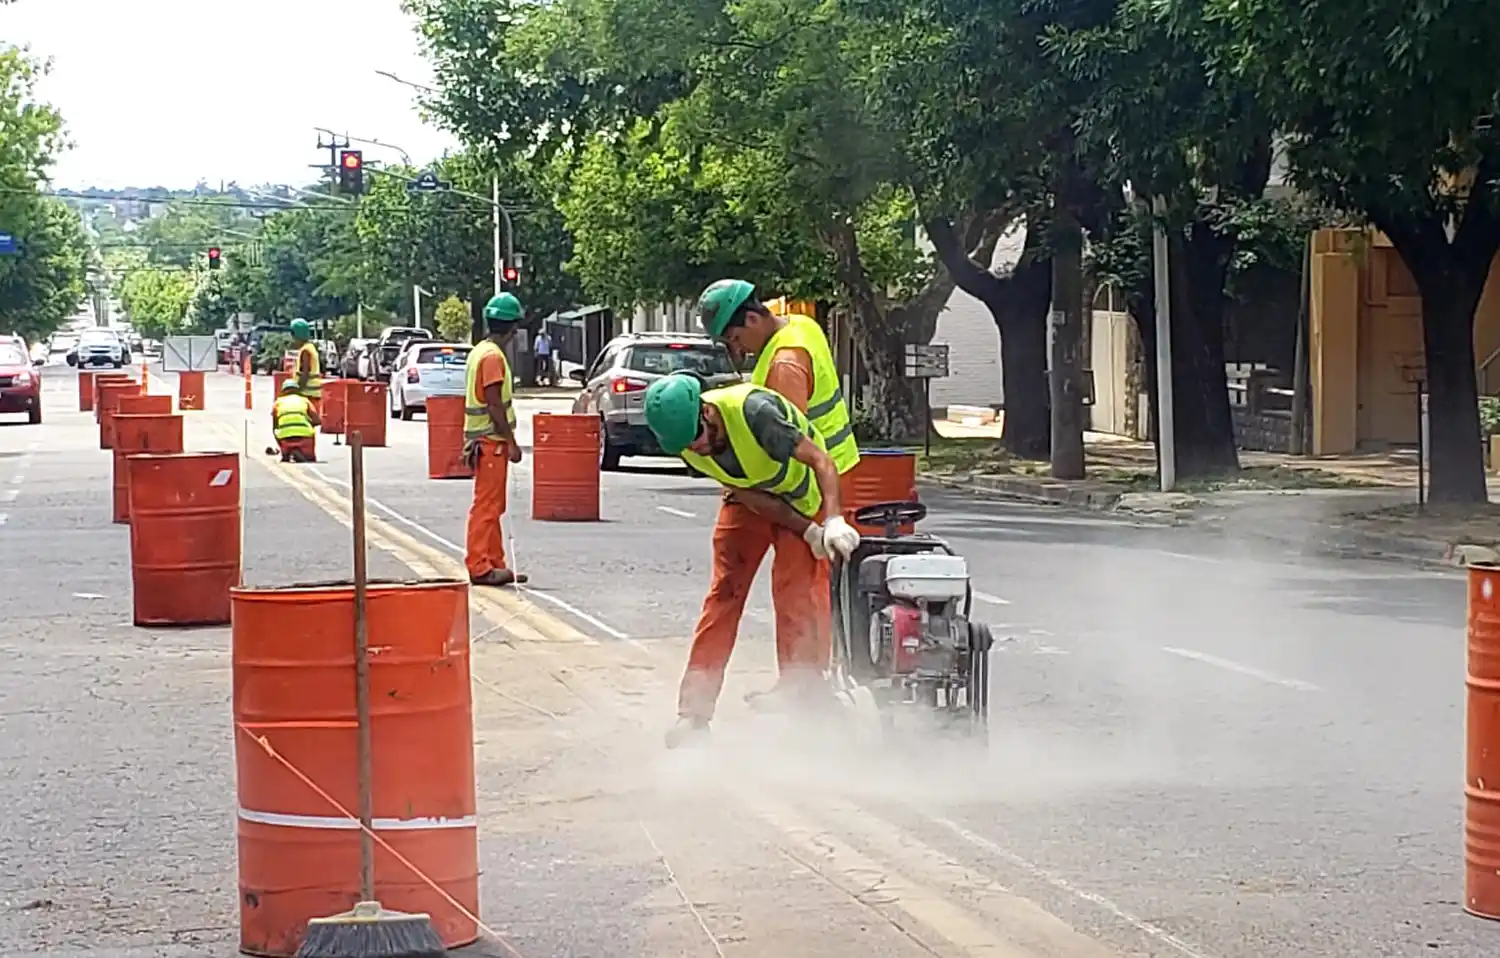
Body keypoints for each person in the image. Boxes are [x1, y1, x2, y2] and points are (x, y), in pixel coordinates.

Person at [643, 373, 861, 747]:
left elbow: (823, 462)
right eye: (686, 447)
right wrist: (799, 529)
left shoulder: (756, 413)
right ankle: (693, 714)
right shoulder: (685, 440)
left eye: (697, 439)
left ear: (707, 413)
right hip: (751, 499)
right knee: (724, 594)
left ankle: (800, 694)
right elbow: (747, 492)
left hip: (802, 499)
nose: (696, 450)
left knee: (795, 595)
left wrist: (830, 521)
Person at [693, 279, 862, 710]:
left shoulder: (786, 361)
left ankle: (804, 687)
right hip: (780, 480)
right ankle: (790, 685)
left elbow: (791, 454)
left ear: (752, 318)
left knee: (798, 587)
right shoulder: (800, 326)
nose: (738, 350)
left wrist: (815, 524)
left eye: (735, 338)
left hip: (806, 486)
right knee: (778, 586)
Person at [463, 293, 530, 588]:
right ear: (513, 328)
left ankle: (494, 563)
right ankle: (479, 565)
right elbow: (494, 404)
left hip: (486, 442)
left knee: (493, 506)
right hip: (491, 442)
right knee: (486, 507)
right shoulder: (492, 358)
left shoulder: (480, 351)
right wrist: (511, 442)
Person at [267, 379, 320, 462]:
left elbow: (275, 426)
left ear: (283, 391)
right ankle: (309, 456)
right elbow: (317, 420)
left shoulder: (278, 403)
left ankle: (285, 453)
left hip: (285, 436)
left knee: (277, 432)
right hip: (305, 436)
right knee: (310, 458)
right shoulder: (305, 400)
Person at [289, 318, 323, 401]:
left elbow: (305, 374)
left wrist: (297, 390)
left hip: (307, 395)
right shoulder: (310, 347)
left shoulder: (305, 351)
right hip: (311, 394)